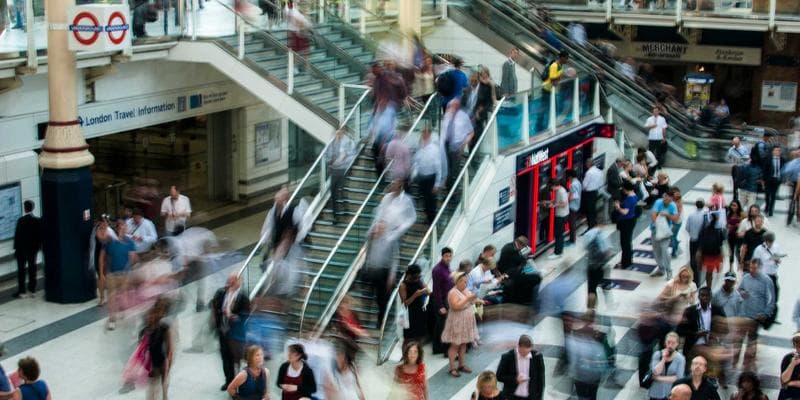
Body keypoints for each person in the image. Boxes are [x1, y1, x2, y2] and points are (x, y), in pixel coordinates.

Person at [363, 180, 416, 325]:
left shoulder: (390, 239)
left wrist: (392, 276)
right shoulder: (372, 238)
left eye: (380, 227)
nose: (378, 229)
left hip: (384, 270)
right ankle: (368, 317)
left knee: (382, 297)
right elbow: (368, 253)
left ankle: (382, 320)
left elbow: (395, 258)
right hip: (372, 269)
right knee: (369, 294)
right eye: (377, 227)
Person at [211, 273, 252, 391]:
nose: (230, 282)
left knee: (236, 359)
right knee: (225, 357)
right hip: (223, 330)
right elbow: (215, 306)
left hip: (235, 333)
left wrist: (236, 317)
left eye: (233, 280)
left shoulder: (243, 296)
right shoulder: (222, 293)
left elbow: (246, 314)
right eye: (229, 280)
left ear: (239, 281)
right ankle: (228, 381)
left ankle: (238, 382)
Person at [97, 218, 138, 330]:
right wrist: (101, 273)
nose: (124, 229)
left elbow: (133, 258)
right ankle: (112, 319)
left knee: (123, 296)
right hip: (112, 274)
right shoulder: (109, 241)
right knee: (112, 297)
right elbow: (102, 257)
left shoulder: (130, 242)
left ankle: (122, 311)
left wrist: (132, 262)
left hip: (125, 274)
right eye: (121, 227)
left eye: (125, 227)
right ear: (117, 228)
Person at [738, 258, 775, 371]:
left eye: (754, 268)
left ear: (760, 268)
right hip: (743, 314)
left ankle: (748, 363)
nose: (752, 270)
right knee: (739, 339)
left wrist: (765, 313)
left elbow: (771, 299)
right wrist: (742, 293)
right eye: (750, 268)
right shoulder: (745, 277)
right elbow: (739, 289)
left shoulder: (767, 281)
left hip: (755, 317)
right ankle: (736, 361)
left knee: (751, 340)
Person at [676, 287, 727, 366]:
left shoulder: (718, 310)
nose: (705, 298)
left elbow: (726, 329)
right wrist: (696, 334)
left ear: (711, 297)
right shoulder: (690, 311)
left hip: (711, 348)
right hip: (693, 348)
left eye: (707, 295)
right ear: (698, 296)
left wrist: (714, 335)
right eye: (702, 295)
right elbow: (679, 330)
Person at [442, 272, 479, 377]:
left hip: (466, 320)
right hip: (457, 321)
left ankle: (461, 365)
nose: (465, 284)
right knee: (455, 345)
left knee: (464, 343)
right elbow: (455, 307)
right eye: (463, 281)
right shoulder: (453, 292)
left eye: (466, 282)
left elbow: (472, 299)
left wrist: (477, 300)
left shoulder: (466, 290)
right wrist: (468, 299)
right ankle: (452, 367)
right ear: (457, 282)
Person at [496, 334, 545, 400]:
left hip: (530, 397)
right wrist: (515, 380)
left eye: (527, 352)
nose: (525, 355)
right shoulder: (507, 357)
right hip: (513, 396)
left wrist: (539, 398)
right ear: (518, 346)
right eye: (523, 352)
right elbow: (499, 376)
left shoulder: (537, 357)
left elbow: (541, 380)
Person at [143, 297, 174, 400]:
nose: (151, 317)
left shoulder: (164, 327)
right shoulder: (147, 329)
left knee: (163, 385)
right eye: (150, 314)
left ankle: (165, 396)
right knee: (152, 388)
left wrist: (168, 364)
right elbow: (143, 346)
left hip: (161, 361)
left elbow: (170, 348)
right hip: (153, 361)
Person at [413, 126, 444, 225]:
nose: (424, 135)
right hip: (422, 178)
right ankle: (427, 217)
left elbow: (438, 166)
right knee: (425, 199)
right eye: (423, 133)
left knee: (431, 200)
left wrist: (437, 183)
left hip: (431, 178)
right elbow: (416, 161)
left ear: (429, 135)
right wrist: (415, 173)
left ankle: (432, 220)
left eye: (426, 133)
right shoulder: (420, 147)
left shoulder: (434, 149)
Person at [12, 200, 41, 299]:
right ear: (33, 208)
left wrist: (16, 249)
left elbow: (17, 236)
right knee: (32, 269)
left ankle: (22, 291)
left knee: (21, 270)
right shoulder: (37, 221)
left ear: (25, 208)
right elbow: (39, 236)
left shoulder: (21, 220)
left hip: (21, 250)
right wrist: (38, 247)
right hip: (33, 250)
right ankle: (32, 290)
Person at [650, 188, 680, 279]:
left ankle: (669, 270)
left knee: (665, 251)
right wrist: (659, 225)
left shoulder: (672, 206)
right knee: (656, 251)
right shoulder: (658, 202)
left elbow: (675, 219)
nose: (666, 199)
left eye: (669, 198)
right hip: (655, 230)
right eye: (665, 196)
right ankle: (661, 268)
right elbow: (653, 215)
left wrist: (667, 215)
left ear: (671, 199)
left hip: (666, 232)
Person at [441, 99, 474, 183]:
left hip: (458, 146)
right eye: (450, 106)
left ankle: (453, 189)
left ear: (458, 106)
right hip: (446, 144)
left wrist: (464, 144)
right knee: (446, 168)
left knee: (454, 170)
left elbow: (471, 132)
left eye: (454, 106)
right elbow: (444, 130)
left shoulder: (464, 116)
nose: (452, 108)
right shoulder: (447, 115)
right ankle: (448, 186)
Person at [327, 128, 356, 218]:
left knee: (343, 190)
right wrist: (331, 162)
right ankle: (335, 214)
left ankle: (345, 210)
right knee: (333, 192)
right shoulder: (331, 144)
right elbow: (327, 156)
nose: (338, 136)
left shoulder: (346, 143)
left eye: (340, 134)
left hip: (343, 170)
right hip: (334, 171)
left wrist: (343, 160)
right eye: (337, 134)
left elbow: (350, 156)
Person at [399, 264, 430, 349]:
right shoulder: (403, 285)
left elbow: (428, 291)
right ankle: (406, 357)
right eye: (416, 277)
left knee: (419, 337)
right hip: (408, 314)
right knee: (408, 338)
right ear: (410, 275)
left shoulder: (419, 280)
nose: (417, 278)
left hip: (420, 312)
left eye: (419, 276)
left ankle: (417, 357)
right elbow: (405, 303)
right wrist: (415, 295)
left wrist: (426, 290)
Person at [648, 332, 686, 400]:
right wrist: (663, 359)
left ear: (677, 344)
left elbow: (679, 378)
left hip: (671, 393)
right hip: (655, 392)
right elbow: (655, 372)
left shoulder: (681, 359)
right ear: (665, 342)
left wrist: (658, 378)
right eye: (668, 342)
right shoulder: (657, 354)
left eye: (673, 343)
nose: (670, 345)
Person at [537, 51, 569, 132]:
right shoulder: (554, 65)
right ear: (562, 58)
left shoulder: (560, 66)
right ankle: (541, 126)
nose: (567, 60)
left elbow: (557, 79)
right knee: (546, 108)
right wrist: (560, 75)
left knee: (549, 108)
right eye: (566, 58)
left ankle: (544, 124)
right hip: (547, 89)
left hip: (551, 90)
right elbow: (553, 80)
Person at [430, 247, 454, 355]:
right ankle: (439, 348)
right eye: (446, 256)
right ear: (442, 256)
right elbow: (436, 289)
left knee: (443, 325)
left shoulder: (447, 268)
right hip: (441, 301)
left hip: (447, 300)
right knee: (441, 326)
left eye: (450, 256)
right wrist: (440, 306)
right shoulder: (437, 269)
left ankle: (441, 347)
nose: (448, 258)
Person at [613, 182, 638, 270]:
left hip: (626, 222)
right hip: (631, 220)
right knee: (627, 242)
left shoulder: (629, 199)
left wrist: (618, 207)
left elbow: (625, 212)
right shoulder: (634, 195)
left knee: (625, 243)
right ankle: (628, 260)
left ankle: (625, 263)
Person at [684, 199, 707, 287]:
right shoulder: (705, 215)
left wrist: (692, 233)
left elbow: (687, 228)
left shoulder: (691, 215)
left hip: (693, 240)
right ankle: (699, 278)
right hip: (702, 241)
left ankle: (695, 279)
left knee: (693, 260)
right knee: (700, 260)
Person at [699, 212, 725, 288]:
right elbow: (721, 242)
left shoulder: (705, 228)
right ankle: (713, 287)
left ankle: (709, 287)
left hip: (707, 254)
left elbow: (701, 240)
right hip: (716, 254)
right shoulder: (720, 229)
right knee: (717, 271)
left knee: (709, 272)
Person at [547, 179, 569, 259]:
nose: (551, 189)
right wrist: (551, 202)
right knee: (559, 234)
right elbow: (558, 201)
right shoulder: (559, 191)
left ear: (554, 185)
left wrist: (554, 205)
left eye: (551, 187)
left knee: (558, 234)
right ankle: (559, 251)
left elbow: (564, 203)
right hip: (561, 215)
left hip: (561, 216)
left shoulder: (561, 192)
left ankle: (558, 253)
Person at [581, 159, 604, 229]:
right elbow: (601, 182)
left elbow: (584, 185)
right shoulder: (599, 171)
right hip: (595, 191)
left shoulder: (589, 173)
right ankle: (594, 223)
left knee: (589, 210)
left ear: (588, 164)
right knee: (593, 209)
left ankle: (590, 226)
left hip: (589, 193)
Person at [727, 137, 751, 201]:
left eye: (736, 143)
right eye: (734, 143)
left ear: (739, 142)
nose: (735, 144)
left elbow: (748, 157)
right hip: (735, 167)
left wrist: (742, 158)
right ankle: (735, 196)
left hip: (742, 167)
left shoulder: (744, 149)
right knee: (735, 182)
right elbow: (728, 157)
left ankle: (743, 195)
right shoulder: (731, 149)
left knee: (741, 182)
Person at [779, 333, 800, 400]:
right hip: (787, 395)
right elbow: (784, 380)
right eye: (797, 346)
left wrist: (789, 383)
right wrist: (793, 364)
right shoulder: (788, 358)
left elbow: (785, 383)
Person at [727, 200, 745, 267]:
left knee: (738, 252)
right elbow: (727, 224)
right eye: (732, 205)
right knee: (731, 252)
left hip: (738, 236)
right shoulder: (729, 214)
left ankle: (740, 266)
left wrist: (739, 225)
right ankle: (730, 268)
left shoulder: (741, 214)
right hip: (731, 235)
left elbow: (744, 224)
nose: (733, 207)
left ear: (738, 206)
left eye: (734, 205)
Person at [566, 169, 582, 245]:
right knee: (572, 223)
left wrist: (567, 199)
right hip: (577, 205)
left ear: (570, 176)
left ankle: (572, 240)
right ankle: (572, 239)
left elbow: (574, 196)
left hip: (572, 206)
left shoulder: (573, 184)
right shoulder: (578, 182)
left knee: (572, 224)